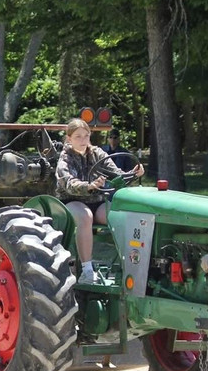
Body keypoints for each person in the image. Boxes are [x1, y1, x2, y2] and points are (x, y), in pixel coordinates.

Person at [56, 117, 144, 284]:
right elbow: (68, 183)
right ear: (69, 139)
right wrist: (89, 185)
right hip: (70, 200)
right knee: (85, 216)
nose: (83, 140)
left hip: (96, 200)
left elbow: (116, 173)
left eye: (85, 136)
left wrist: (133, 173)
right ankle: (87, 271)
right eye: (78, 137)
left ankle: (129, 266)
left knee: (117, 216)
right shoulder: (65, 158)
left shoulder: (97, 153)